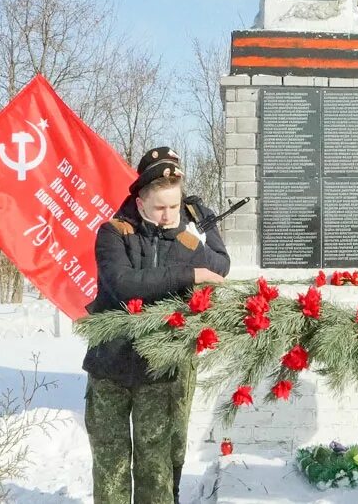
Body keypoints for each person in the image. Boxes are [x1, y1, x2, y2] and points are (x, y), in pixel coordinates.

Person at [82, 147, 230, 504]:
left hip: (159, 371)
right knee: (111, 464)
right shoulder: (113, 232)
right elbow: (125, 283)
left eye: (175, 207)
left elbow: (220, 267)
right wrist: (189, 272)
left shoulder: (182, 235)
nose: (168, 216)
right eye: (160, 208)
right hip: (111, 366)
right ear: (141, 201)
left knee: (156, 468)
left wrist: (204, 225)